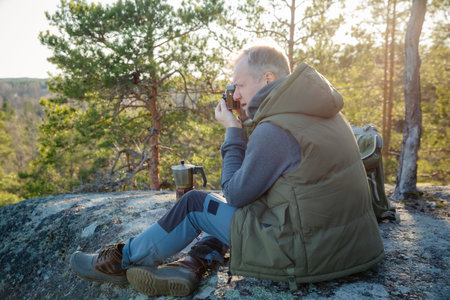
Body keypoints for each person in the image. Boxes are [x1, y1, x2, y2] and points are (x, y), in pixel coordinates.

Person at [70, 43, 385, 297]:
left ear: (268, 79)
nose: (235, 94)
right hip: (351, 249)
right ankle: (192, 264)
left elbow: (235, 194)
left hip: (303, 256)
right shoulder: (323, 113)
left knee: (196, 204)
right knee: (232, 210)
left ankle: (118, 261)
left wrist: (233, 130)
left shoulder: (275, 129)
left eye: (239, 85)